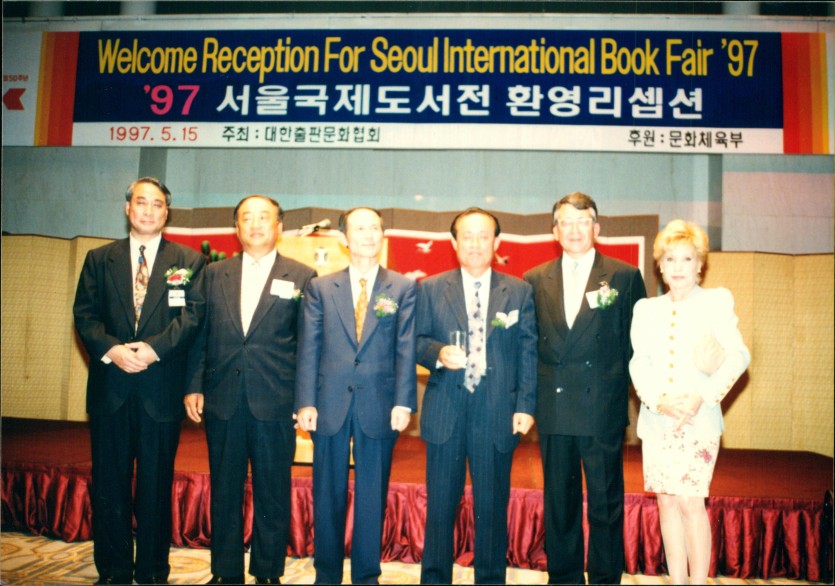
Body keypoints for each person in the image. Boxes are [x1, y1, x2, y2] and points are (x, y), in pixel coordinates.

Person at [73, 177, 206, 585]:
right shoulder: (100, 259)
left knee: (155, 487)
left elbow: (192, 318)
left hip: (159, 391)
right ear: (127, 208)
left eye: (157, 204)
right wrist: (113, 350)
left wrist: (152, 349)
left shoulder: (188, 261)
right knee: (109, 485)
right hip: (110, 389)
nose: (148, 210)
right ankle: (113, 571)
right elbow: (85, 316)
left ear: (167, 212)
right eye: (141, 202)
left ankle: (151, 572)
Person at [184, 196, 316, 585]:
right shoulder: (213, 274)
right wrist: (194, 385)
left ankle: (268, 572)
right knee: (224, 490)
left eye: (264, 217)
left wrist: (304, 399)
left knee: (272, 491)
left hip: (276, 401)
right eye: (247, 218)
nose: (256, 224)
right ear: (236, 227)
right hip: (223, 397)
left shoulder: (302, 276)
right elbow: (199, 335)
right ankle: (225, 573)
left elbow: (308, 344)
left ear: (279, 227)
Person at [524, 192, 646, 584]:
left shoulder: (624, 276)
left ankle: (606, 578)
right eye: (566, 222)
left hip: (602, 408)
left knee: (605, 503)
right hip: (555, 407)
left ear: (597, 227)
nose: (574, 229)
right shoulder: (534, 278)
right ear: (554, 231)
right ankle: (564, 578)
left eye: (583, 221)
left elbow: (638, 346)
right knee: (559, 503)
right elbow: (529, 346)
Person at [294, 207, 417, 585]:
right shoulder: (321, 287)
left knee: (372, 496)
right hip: (328, 404)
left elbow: (406, 348)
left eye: (375, 227)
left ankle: (366, 576)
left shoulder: (402, 287)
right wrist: (305, 401)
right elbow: (309, 347)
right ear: (344, 239)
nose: (368, 234)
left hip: (379, 404)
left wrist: (404, 401)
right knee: (327, 494)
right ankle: (326, 575)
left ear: (383, 235)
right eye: (359, 228)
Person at [417, 207, 537, 585]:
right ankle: (434, 580)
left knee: (491, 507)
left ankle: (490, 580)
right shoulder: (430, 288)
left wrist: (525, 405)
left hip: (496, 409)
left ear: (496, 242)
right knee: (440, 508)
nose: (475, 243)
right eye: (466, 236)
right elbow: (415, 342)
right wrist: (437, 353)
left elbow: (528, 352)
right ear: (454, 242)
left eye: (483, 236)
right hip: (446, 409)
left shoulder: (518, 290)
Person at [629, 219, 750, 584]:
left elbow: (739, 356)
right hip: (659, 420)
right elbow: (638, 363)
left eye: (686, 259)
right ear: (659, 265)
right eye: (670, 259)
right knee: (666, 501)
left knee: (690, 502)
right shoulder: (645, 308)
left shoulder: (716, 301)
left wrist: (704, 396)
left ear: (700, 264)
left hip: (699, 420)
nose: (678, 267)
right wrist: (658, 401)